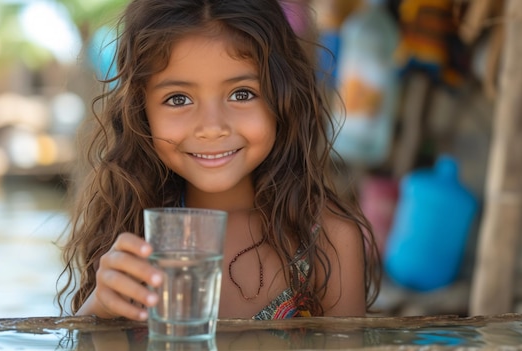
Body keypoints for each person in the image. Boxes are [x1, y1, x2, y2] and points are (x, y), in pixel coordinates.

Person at [57, 0, 380, 321]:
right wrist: (98, 310)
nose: (212, 127)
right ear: (142, 114)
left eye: (241, 94)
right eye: (178, 99)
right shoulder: (129, 232)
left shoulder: (328, 238)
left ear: (284, 100)